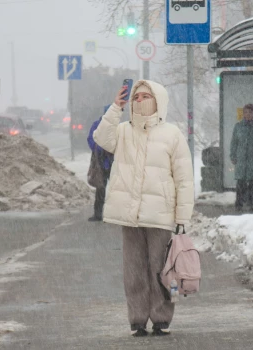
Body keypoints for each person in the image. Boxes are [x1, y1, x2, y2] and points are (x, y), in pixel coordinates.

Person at [93, 80, 194, 337]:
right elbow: (101, 139)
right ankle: (137, 319)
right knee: (134, 271)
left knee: (161, 270)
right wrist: (116, 107)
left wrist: (182, 217)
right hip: (130, 215)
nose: (140, 101)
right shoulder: (124, 131)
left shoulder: (172, 134)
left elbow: (184, 179)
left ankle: (161, 318)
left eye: (145, 96)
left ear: (158, 100)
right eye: (136, 97)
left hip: (160, 215)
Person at [229, 103, 253, 211]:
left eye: (250, 112)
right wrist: (233, 155)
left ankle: (252, 204)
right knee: (240, 182)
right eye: (245, 112)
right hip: (241, 159)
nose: (247, 114)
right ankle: (239, 205)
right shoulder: (238, 126)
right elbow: (234, 142)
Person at [87, 105, 114, 221]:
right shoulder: (97, 125)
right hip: (101, 162)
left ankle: (115, 214)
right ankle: (98, 214)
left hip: (113, 161)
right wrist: (100, 148)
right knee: (100, 188)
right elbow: (90, 139)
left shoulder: (117, 126)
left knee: (116, 188)